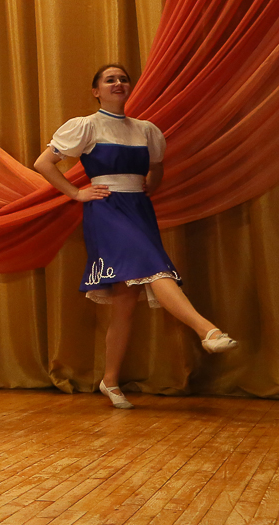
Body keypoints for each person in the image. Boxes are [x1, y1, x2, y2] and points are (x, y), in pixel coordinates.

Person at [34, 63, 237, 409]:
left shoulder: (146, 130)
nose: (118, 83)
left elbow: (156, 167)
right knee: (155, 269)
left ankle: (110, 380)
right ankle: (207, 331)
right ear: (96, 91)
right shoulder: (86, 126)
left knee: (125, 303)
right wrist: (77, 193)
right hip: (106, 211)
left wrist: (149, 187)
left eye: (123, 79)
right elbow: (43, 163)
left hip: (139, 211)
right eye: (109, 79)